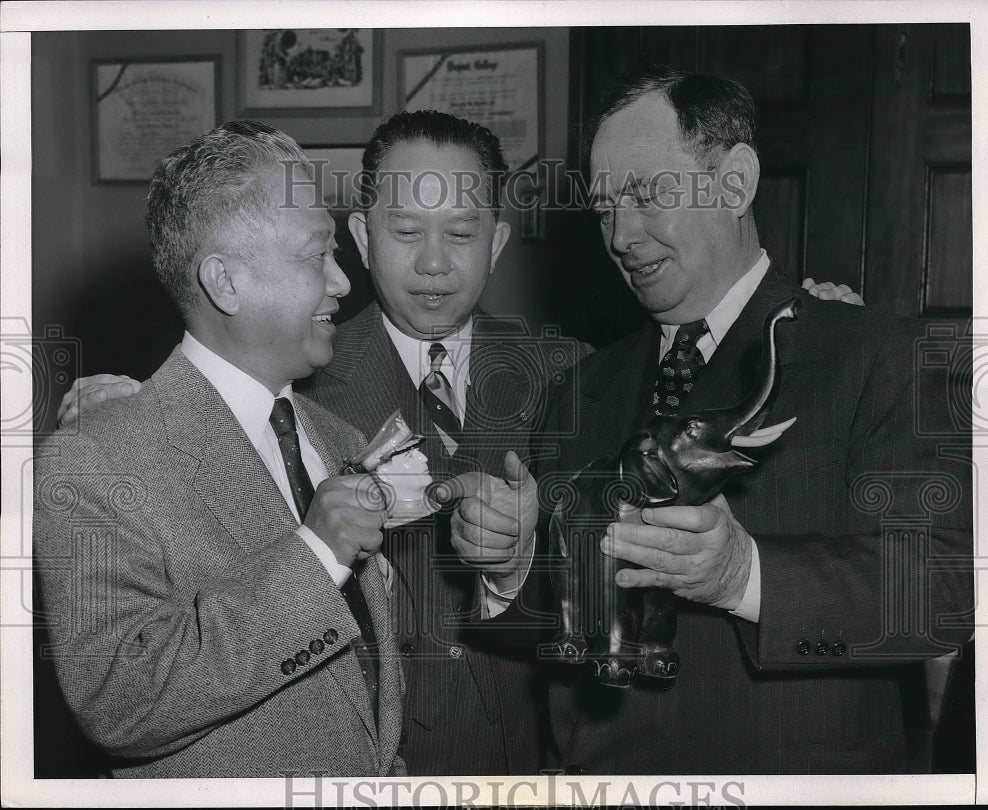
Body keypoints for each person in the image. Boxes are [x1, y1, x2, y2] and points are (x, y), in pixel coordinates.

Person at [55, 110, 864, 776]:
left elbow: (707, 426)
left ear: (500, 244)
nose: (435, 264)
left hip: (536, 764)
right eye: (405, 232)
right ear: (361, 243)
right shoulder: (296, 387)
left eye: (463, 233)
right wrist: (121, 399)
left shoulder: (575, 375)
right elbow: (203, 404)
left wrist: (798, 326)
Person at [451, 66, 974, 774]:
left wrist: (744, 576)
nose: (622, 236)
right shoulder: (580, 388)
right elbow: (564, 629)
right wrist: (513, 568)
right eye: (605, 207)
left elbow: (943, 594)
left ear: (735, 182)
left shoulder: (876, 354)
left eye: (646, 194)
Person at [34, 121, 403, 778]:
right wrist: (317, 556)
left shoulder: (339, 439)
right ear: (225, 283)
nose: (343, 284)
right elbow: (120, 699)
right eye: (316, 256)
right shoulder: (95, 459)